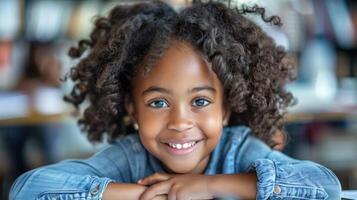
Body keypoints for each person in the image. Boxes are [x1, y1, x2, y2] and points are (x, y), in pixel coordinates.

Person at [9, 1, 341, 199]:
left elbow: (324, 187)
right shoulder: (132, 156)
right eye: (158, 102)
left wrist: (209, 185)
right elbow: (29, 190)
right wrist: (155, 193)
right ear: (131, 108)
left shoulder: (237, 150)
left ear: (226, 109)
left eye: (200, 101)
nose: (180, 122)